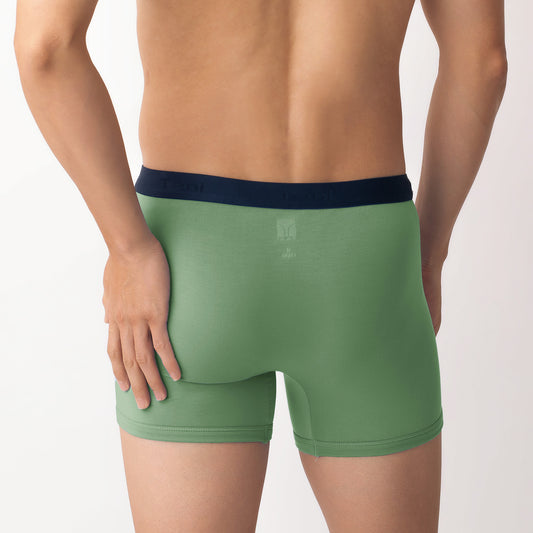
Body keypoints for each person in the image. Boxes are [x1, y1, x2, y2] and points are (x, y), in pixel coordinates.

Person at [14, 0, 507, 531]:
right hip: (363, 258)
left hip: (190, 266)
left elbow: (45, 47)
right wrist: (429, 250)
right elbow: (482, 60)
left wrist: (129, 248)